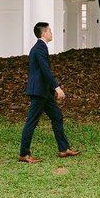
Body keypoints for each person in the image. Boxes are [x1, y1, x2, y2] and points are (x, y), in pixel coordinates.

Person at [19, 21, 79, 163]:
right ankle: (24, 154)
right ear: (44, 33)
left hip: (44, 91)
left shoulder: (41, 47)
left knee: (57, 116)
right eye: (50, 30)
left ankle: (64, 149)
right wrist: (57, 88)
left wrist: (52, 89)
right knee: (31, 122)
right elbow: (45, 70)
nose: (51, 32)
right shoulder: (39, 48)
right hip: (39, 91)